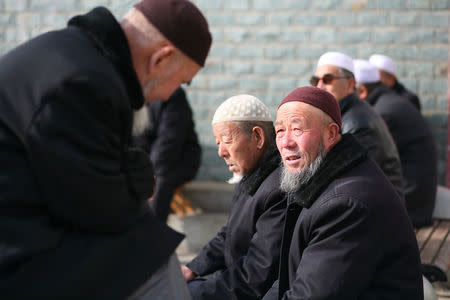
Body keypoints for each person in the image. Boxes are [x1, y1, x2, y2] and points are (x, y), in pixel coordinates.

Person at [0, 0, 212, 298]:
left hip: (30, 221)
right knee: (156, 263)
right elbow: (95, 205)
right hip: (17, 250)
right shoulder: (84, 81)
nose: (170, 93)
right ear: (161, 59)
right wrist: (135, 179)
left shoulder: (77, 55)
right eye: (183, 81)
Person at [263, 86, 423, 299]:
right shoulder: (319, 178)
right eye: (280, 130)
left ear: (331, 134)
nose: (285, 142)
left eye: (297, 129)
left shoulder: (346, 204)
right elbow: (287, 283)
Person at [182, 95, 286, 300]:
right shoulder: (252, 174)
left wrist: (193, 292)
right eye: (218, 142)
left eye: (227, 140)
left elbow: (257, 274)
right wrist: (193, 269)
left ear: (258, 137)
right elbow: (230, 234)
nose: (221, 152)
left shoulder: (278, 188)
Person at [354, 59, 437, 228]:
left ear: (361, 91)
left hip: (410, 206)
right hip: (416, 200)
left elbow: (366, 166)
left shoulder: (384, 111)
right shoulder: (388, 101)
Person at [310, 51, 404, 198]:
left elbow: (348, 176)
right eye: (315, 80)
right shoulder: (344, 113)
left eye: (328, 79)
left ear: (350, 83)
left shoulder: (358, 123)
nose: (319, 86)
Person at [134, 87, 202, 223]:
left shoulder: (173, 93)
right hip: (149, 160)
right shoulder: (134, 94)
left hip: (179, 160)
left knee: (161, 179)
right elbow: (136, 139)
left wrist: (149, 173)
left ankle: (152, 233)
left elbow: (169, 141)